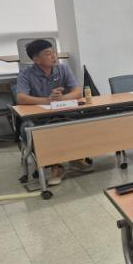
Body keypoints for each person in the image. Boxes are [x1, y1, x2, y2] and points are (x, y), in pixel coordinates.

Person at [15, 39, 92, 185]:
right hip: (37, 116)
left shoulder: (63, 69)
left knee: (81, 122)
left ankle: (76, 158)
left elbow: (77, 91)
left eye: (54, 52)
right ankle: (55, 166)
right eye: (48, 53)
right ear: (36, 59)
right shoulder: (26, 73)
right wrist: (47, 100)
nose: (54, 56)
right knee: (35, 130)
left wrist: (61, 98)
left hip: (61, 112)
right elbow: (21, 97)